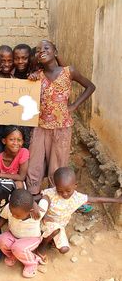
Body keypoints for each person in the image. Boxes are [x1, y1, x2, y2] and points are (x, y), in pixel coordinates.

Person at [26, 39, 96, 198]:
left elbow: (90, 87)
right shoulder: (38, 77)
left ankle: (54, 196)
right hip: (40, 126)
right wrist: (32, 79)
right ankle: (33, 195)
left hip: (62, 127)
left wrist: (75, 105)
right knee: (34, 162)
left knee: (57, 164)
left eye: (46, 48)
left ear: (55, 53)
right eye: (38, 50)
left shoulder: (68, 71)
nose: (41, 51)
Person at [36, 167, 122, 260]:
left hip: (59, 227)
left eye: (68, 191)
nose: (64, 194)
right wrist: (44, 215)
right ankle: (42, 247)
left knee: (64, 249)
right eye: (60, 191)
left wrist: (117, 200)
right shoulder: (50, 193)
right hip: (44, 224)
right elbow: (39, 200)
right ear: (55, 186)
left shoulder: (77, 197)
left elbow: (96, 199)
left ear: (75, 185)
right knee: (54, 229)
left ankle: (50, 239)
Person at [0, 189, 48, 278]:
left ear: (30, 211)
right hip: (13, 235)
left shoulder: (37, 212)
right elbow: (3, 218)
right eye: (12, 213)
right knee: (0, 240)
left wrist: (34, 204)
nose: (13, 216)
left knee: (18, 248)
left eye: (17, 215)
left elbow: (46, 197)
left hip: (32, 239)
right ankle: (14, 256)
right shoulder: (10, 207)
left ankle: (32, 263)